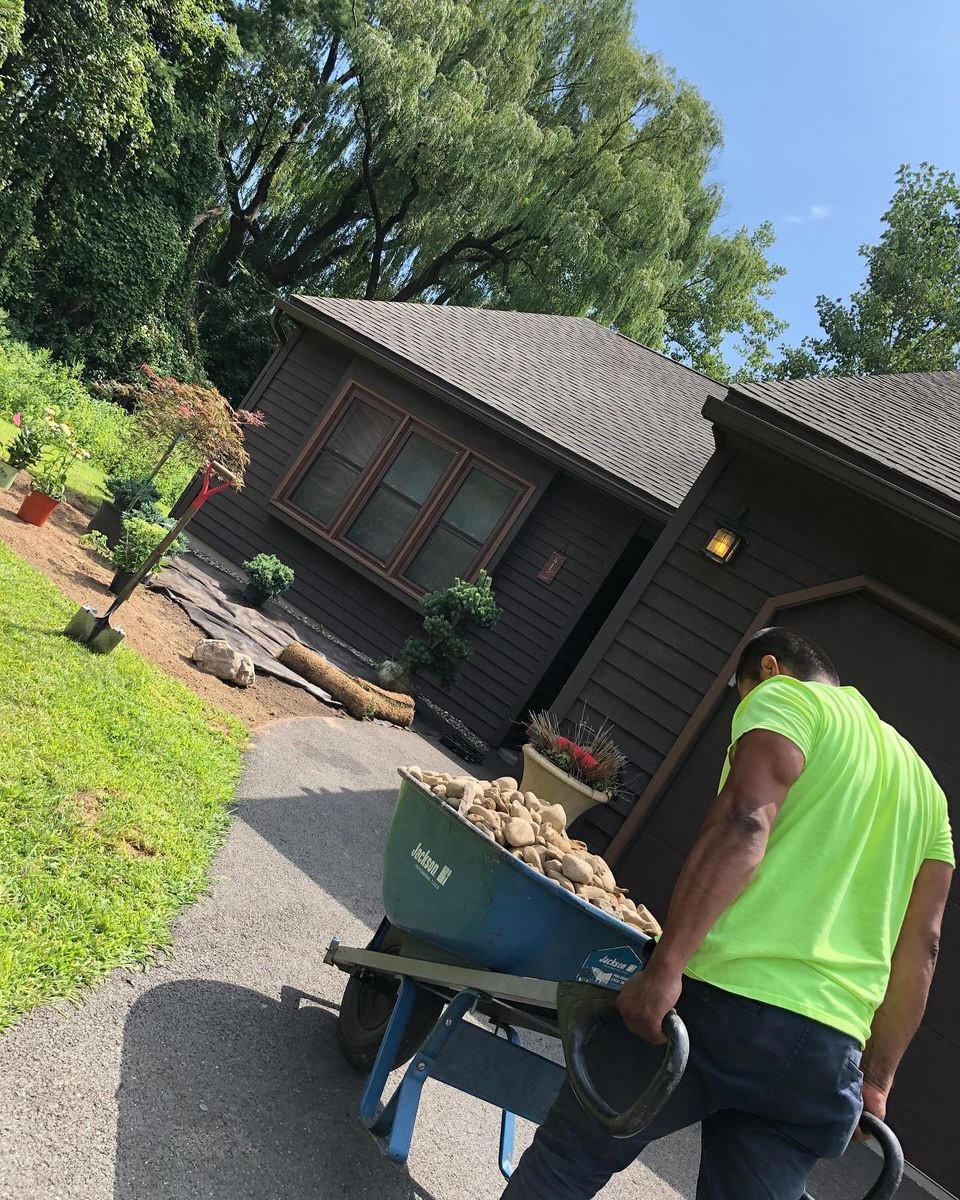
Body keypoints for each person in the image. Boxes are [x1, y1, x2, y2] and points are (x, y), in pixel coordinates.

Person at [502, 627, 954, 1200]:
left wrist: (664, 970)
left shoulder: (789, 698)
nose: (743, 717)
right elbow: (924, 946)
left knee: (569, 1162)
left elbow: (746, 820)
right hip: (827, 1054)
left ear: (768, 669)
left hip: (718, 1004)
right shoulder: (928, 793)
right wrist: (879, 1081)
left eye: (741, 699)